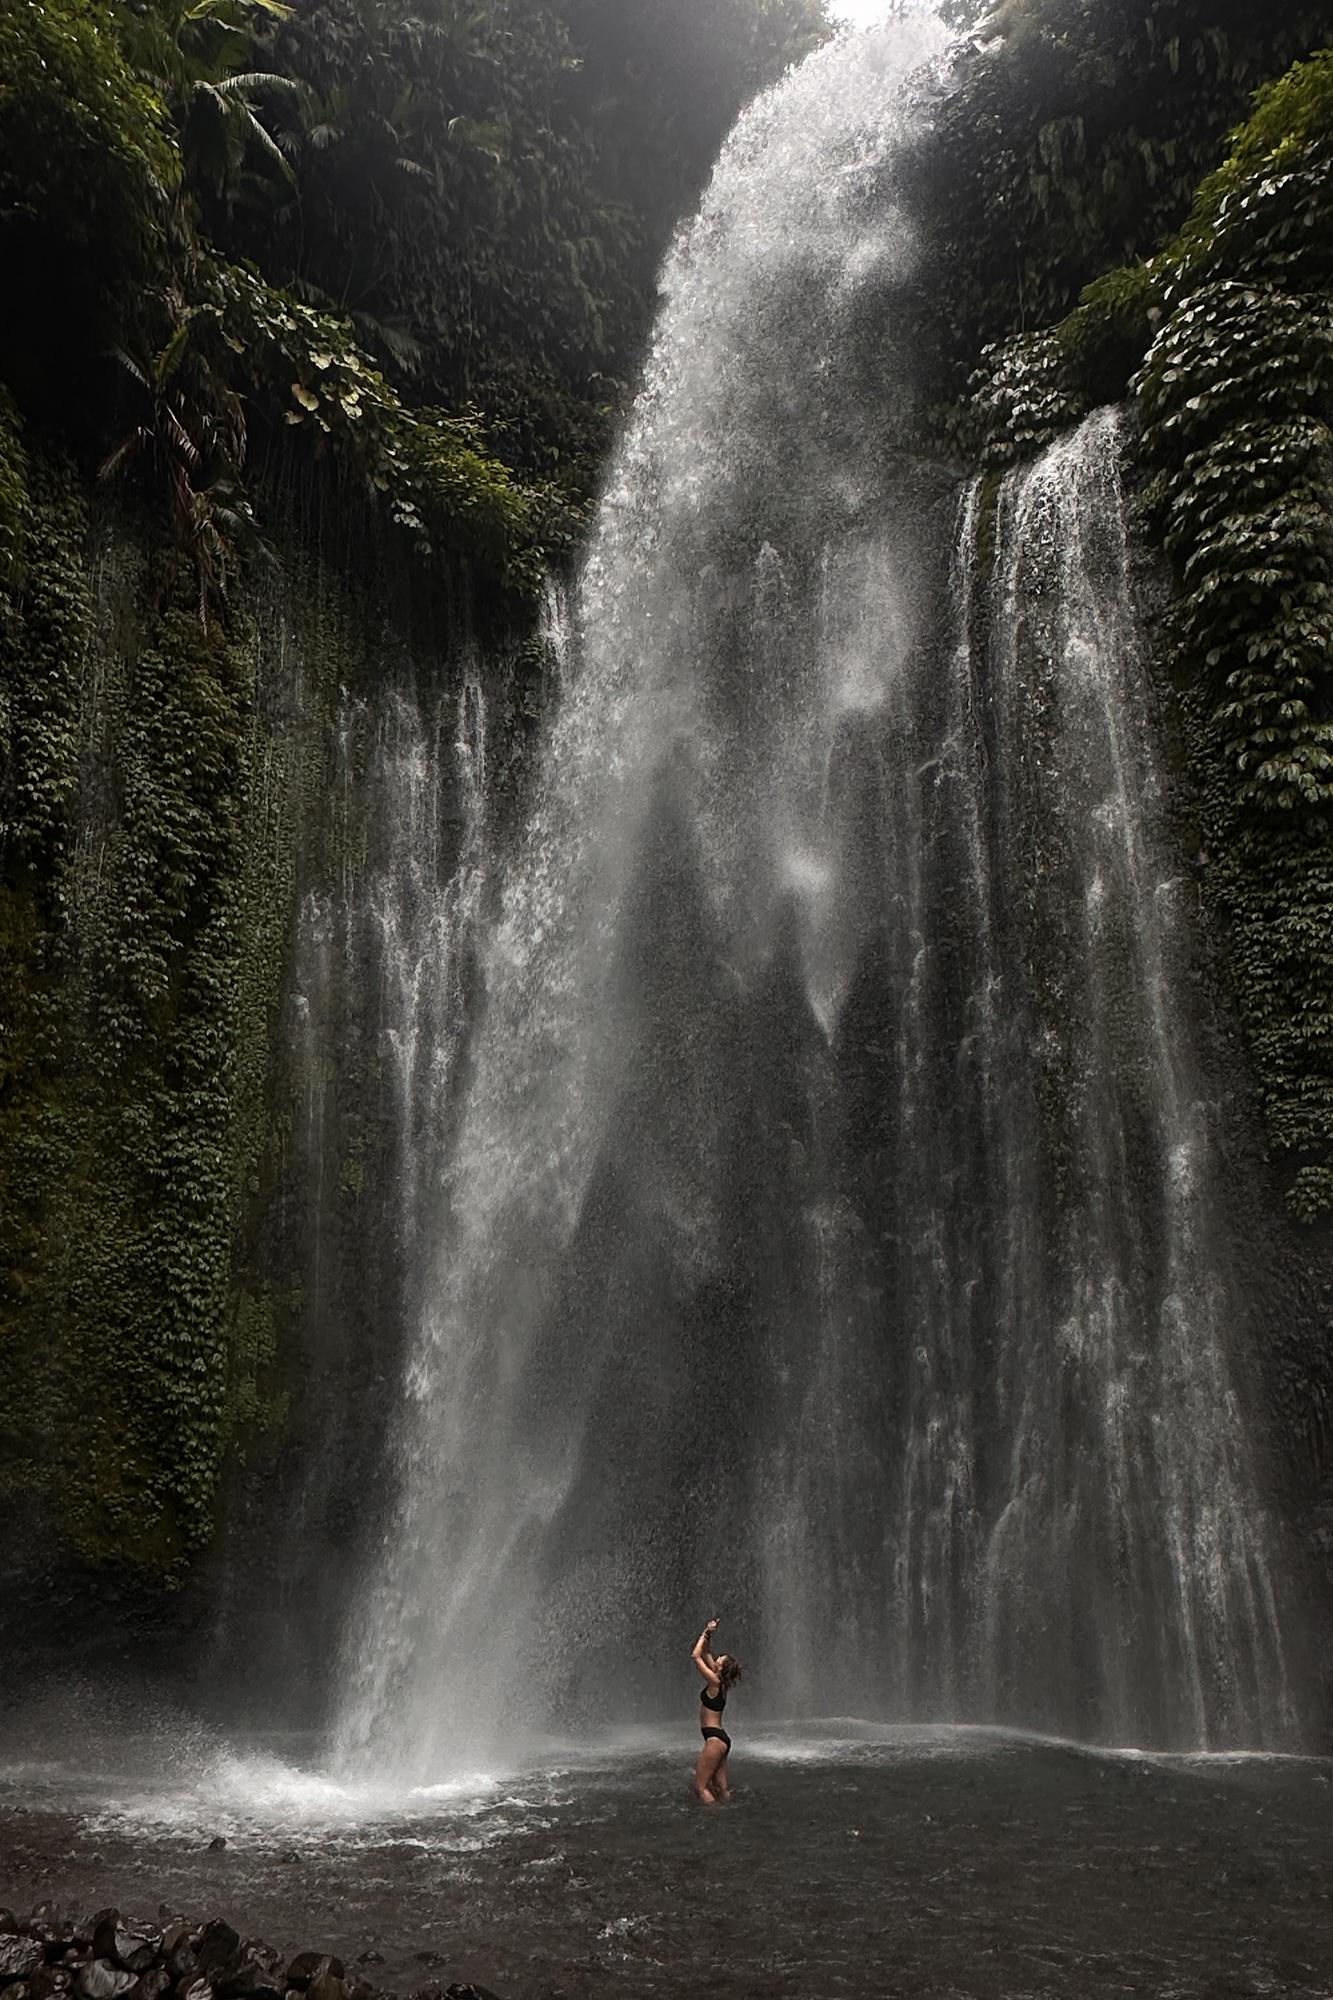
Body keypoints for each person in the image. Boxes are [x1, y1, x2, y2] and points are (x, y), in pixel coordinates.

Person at [691, 1615, 743, 1803]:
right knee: (721, 1788)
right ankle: (730, 1813)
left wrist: (704, 1633)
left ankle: (712, 1816)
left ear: (720, 1668)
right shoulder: (722, 1683)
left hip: (714, 1740)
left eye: (720, 1659)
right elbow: (706, 1653)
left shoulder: (714, 1681)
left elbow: (696, 1655)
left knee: (700, 1787)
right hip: (721, 1739)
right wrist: (709, 1633)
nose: (717, 1658)